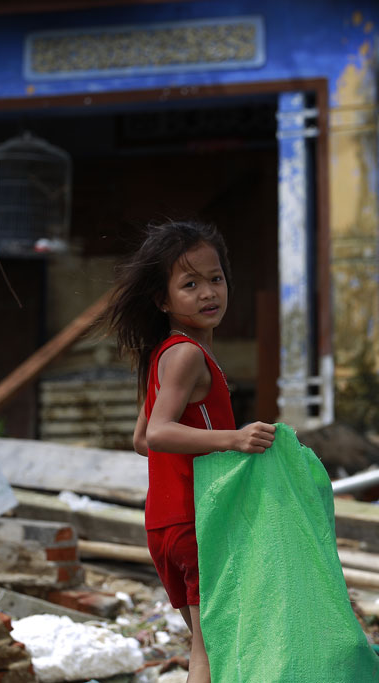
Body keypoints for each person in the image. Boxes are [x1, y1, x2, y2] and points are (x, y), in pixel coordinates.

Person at [106, 220, 276, 682]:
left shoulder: (164, 354)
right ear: (163, 300)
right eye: (190, 284)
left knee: (214, 643)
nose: (208, 293)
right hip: (197, 519)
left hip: (166, 524)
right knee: (209, 651)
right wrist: (233, 438)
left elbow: (140, 439)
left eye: (215, 279)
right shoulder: (188, 356)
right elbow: (159, 434)